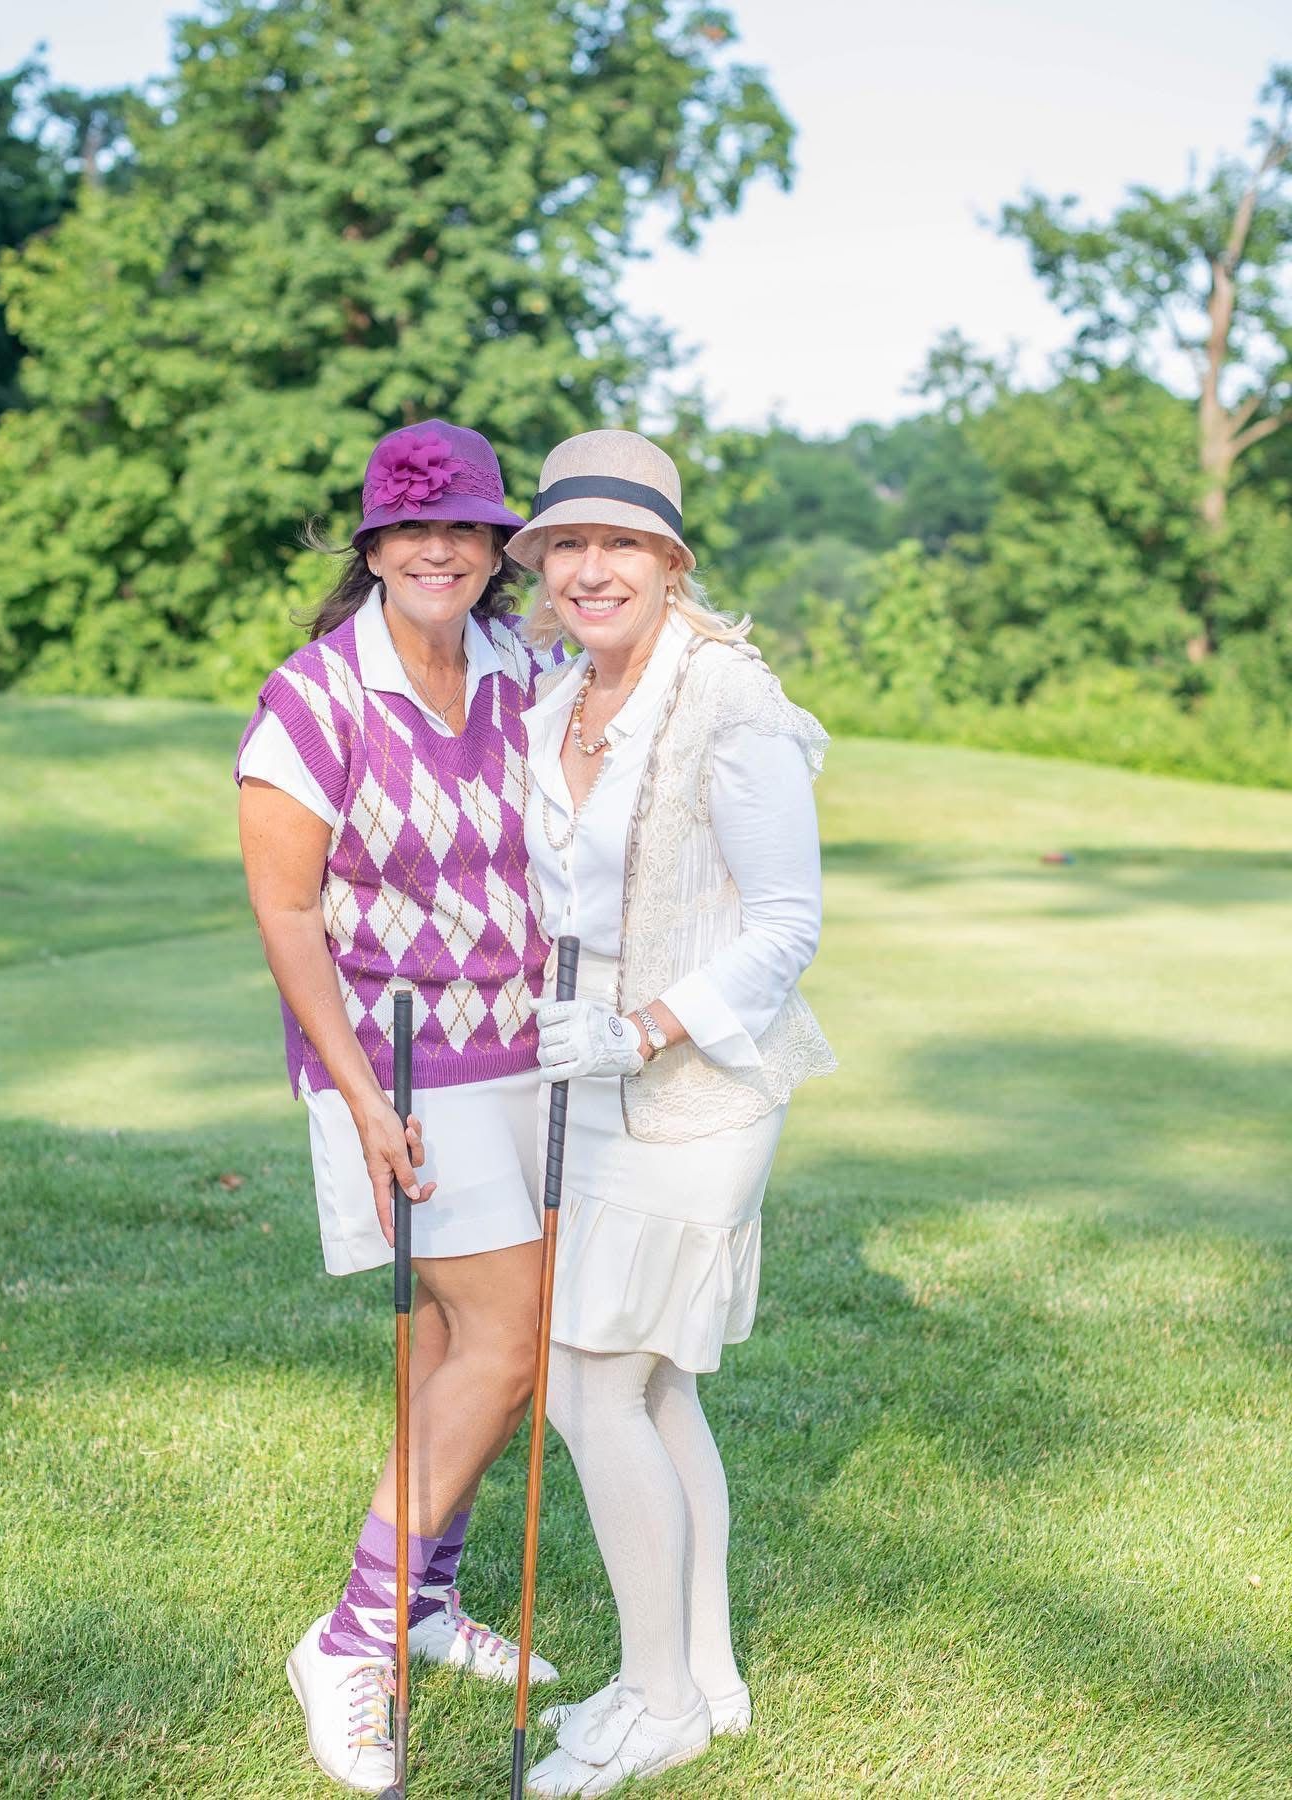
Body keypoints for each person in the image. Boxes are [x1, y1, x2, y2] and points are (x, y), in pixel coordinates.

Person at [507, 430, 835, 1796]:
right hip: (578, 1082)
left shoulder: (729, 701)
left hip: (697, 1091)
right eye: (567, 546)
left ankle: (655, 1704)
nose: (592, 570)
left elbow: (787, 927)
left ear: (669, 561)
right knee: (655, 1382)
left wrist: (642, 1028)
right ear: (541, 567)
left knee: (591, 1385)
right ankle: (708, 1674)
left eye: (620, 544)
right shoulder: (558, 694)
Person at [236, 421, 561, 1793]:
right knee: (518, 1335)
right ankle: (354, 1636)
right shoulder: (312, 698)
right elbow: (287, 907)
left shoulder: (525, 673)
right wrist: (365, 1104)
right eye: (411, 528)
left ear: (493, 550)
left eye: (467, 529)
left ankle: (425, 1600)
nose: (439, 550)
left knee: (453, 1345)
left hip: (526, 1050)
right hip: (396, 1066)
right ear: (374, 545)